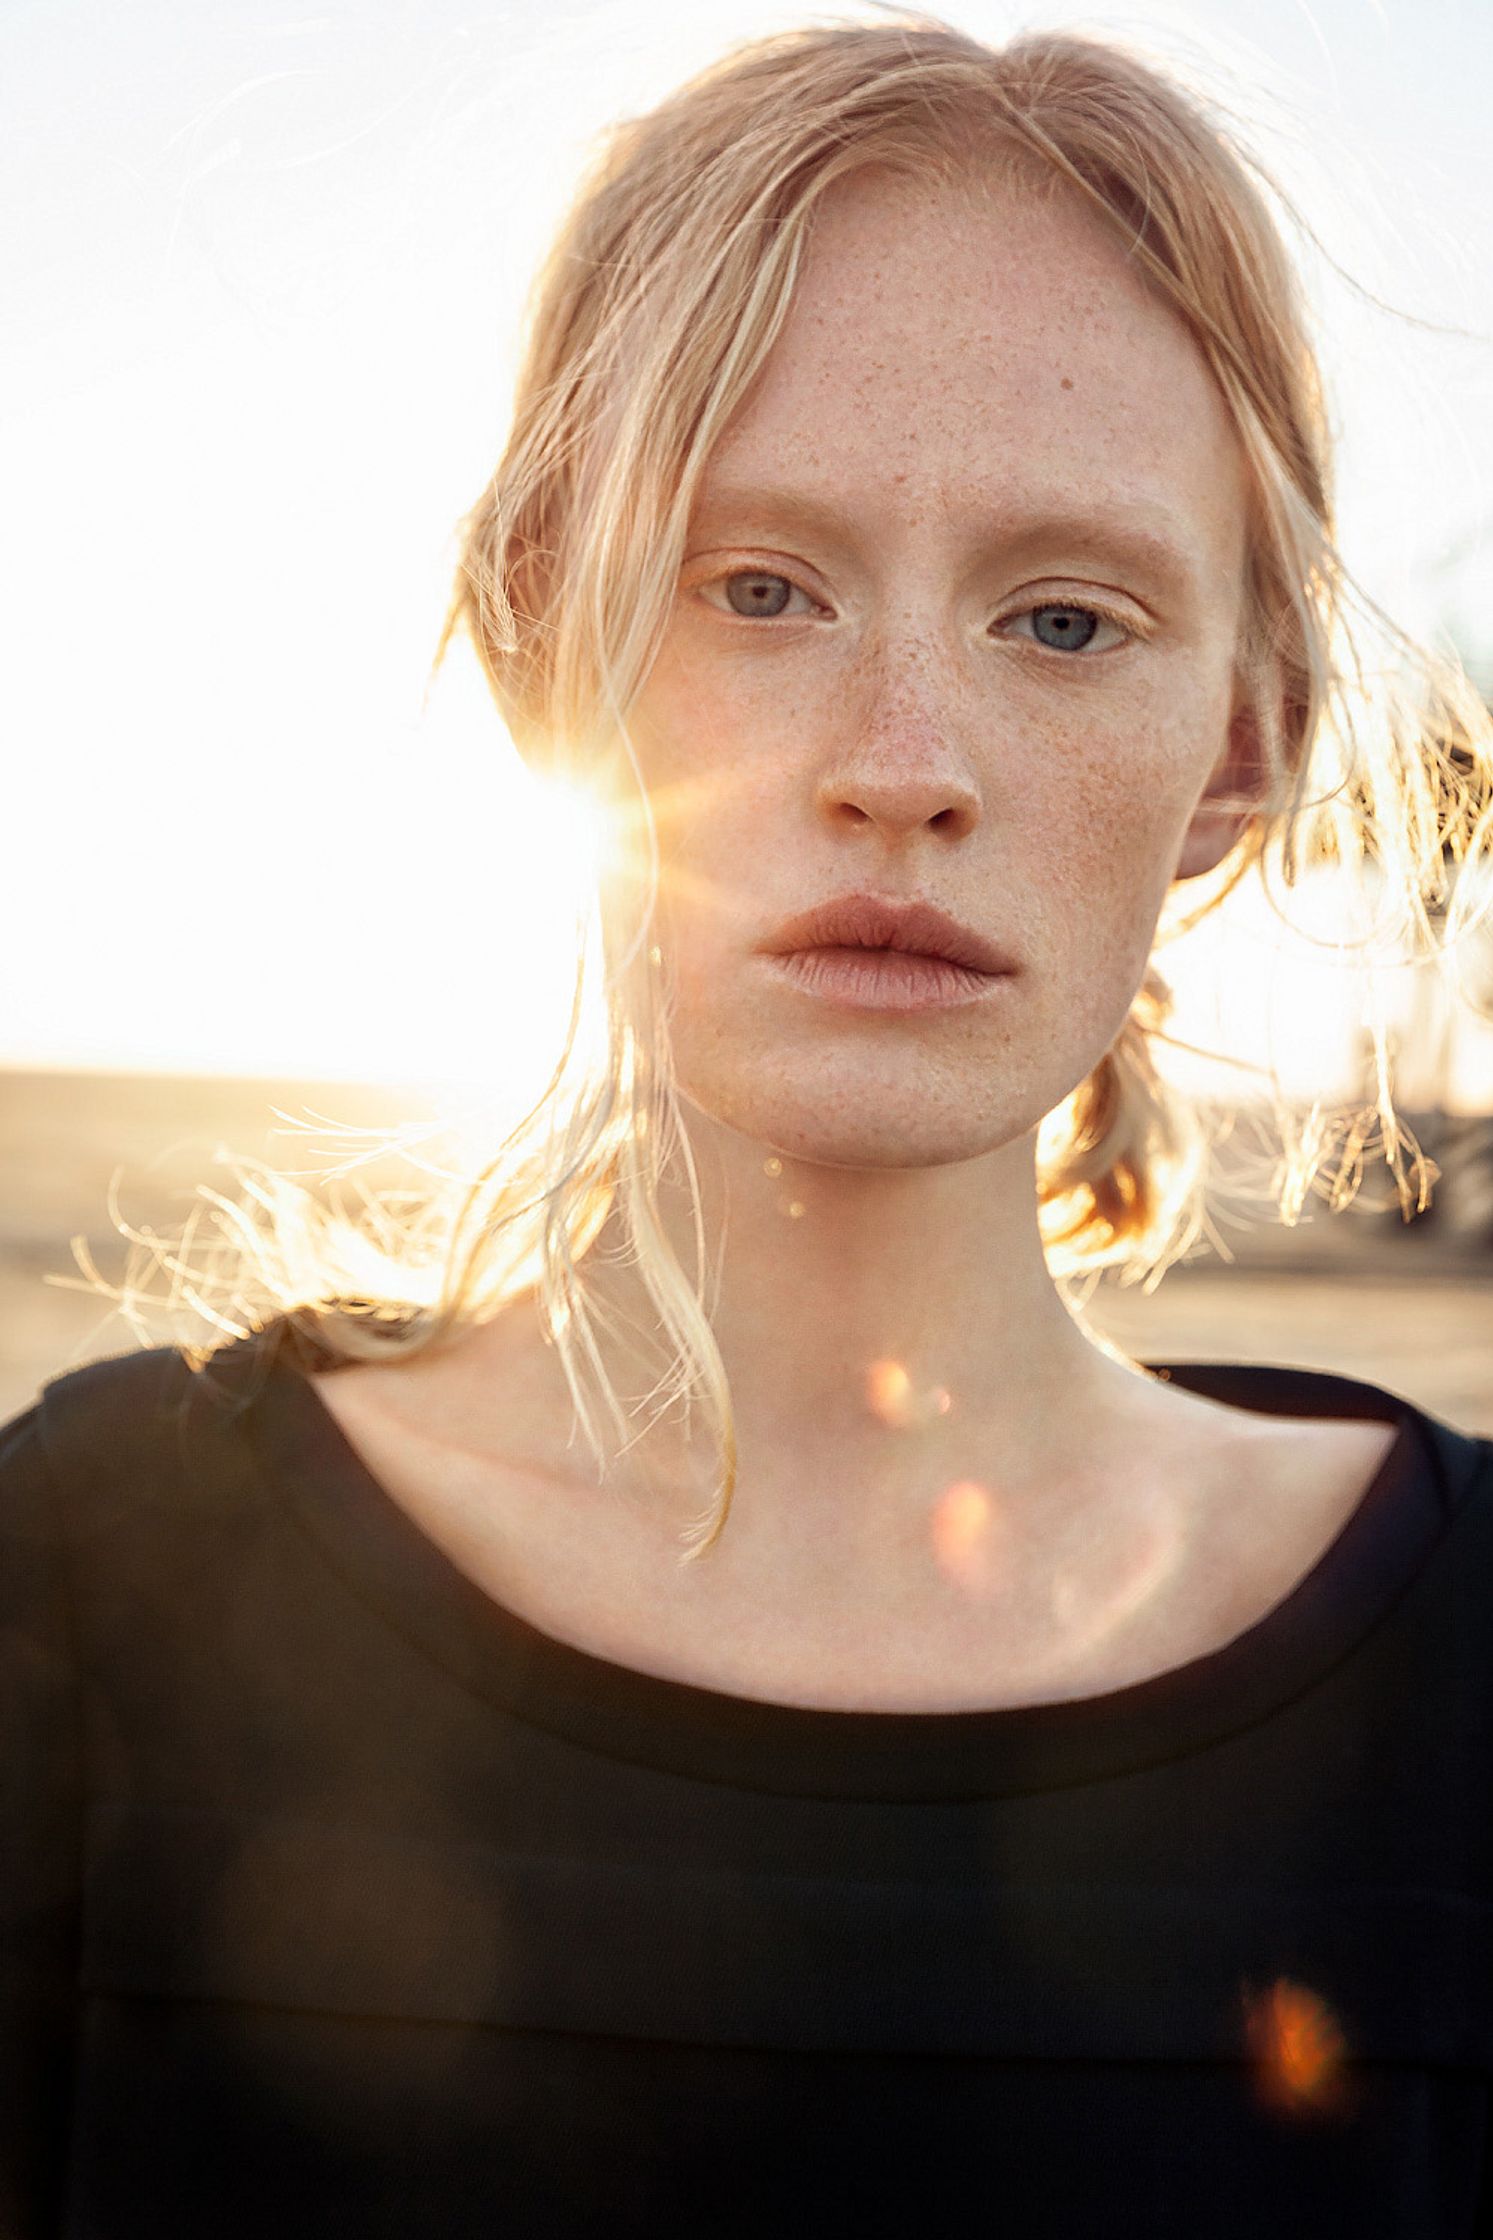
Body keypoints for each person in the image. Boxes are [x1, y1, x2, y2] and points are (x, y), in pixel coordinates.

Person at [5, 13, 1493, 2235]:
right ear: (545, 647)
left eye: (1068, 618)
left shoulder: (1469, 1685)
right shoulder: (96, 1575)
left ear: (1246, 744)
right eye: (758, 586)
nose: (904, 758)